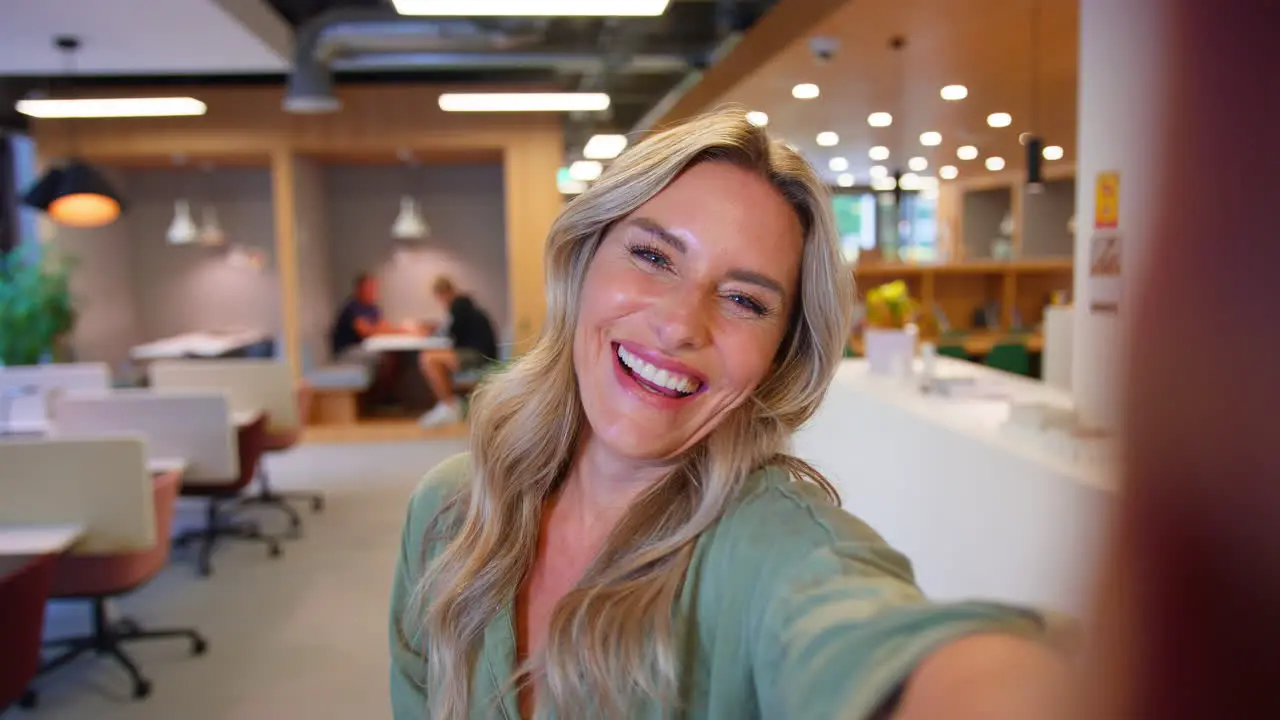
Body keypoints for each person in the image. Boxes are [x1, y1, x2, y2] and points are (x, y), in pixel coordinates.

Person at [390, 110, 1067, 719]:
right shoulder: (450, 511)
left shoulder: (775, 554)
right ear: (583, 258)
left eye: (745, 300)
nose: (682, 325)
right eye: (654, 256)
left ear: (779, 356)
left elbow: (866, 635)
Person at [415, 276, 498, 428]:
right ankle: (449, 405)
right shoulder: (464, 305)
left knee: (428, 359)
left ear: (442, 293)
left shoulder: (458, 306)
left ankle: (449, 406)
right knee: (434, 358)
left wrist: (429, 331)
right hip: (479, 352)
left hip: (478, 354)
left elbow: (449, 332)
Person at [329, 272, 401, 361]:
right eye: (368, 287)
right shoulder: (352, 307)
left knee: (392, 355)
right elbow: (365, 332)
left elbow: (384, 327)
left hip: (365, 347)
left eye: (373, 288)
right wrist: (378, 329)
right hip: (348, 351)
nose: (372, 291)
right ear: (359, 289)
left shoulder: (373, 308)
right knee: (385, 357)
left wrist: (402, 330)